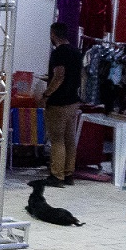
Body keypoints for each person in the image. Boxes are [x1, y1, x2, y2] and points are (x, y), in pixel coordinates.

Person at [43, 22, 83, 186]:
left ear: (53, 34)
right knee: (69, 139)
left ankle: (57, 175)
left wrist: (47, 93)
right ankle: (68, 174)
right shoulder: (76, 52)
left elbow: (59, 75)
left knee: (57, 139)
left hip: (59, 102)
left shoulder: (58, 53)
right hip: (73, 100)